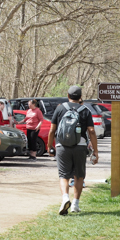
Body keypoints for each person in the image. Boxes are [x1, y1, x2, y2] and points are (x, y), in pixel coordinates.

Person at [47, 86, 98, 215]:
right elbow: (91, 131)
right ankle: (75, 204)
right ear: (80, 97)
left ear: (68, 95)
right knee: (79, 175)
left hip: (62, 146)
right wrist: (95, 151)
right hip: (80, 146)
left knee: (63, 175)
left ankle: (65, 198)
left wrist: (49, 146)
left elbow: (52, 130)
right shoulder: (85, 110)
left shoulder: (60, 108)